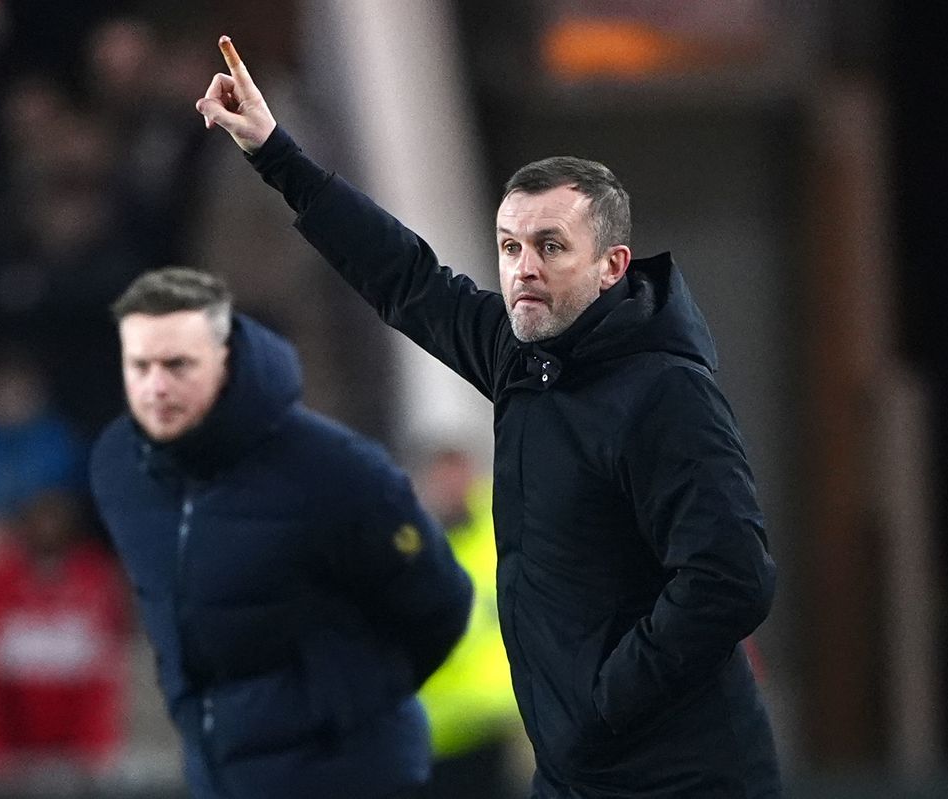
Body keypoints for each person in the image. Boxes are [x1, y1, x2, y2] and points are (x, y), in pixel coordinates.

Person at [194, 36, 781, 798]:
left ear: (613, 266)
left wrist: (606, 701)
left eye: (550, 246)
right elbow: (405, 277)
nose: (523, 268)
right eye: (509, 247)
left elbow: (733, 577)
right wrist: (277, 153)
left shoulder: (664, 391)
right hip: (579, 772)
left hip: (682, 778)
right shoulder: (521, 359)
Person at [89, 267, 473, 799]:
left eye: (178, 365)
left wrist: (344, 709)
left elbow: (440, 603)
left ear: (227, 361)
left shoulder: (337, 470)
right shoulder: (120, 469)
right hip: (221, 780)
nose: (156, 387)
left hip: (351, 777)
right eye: (140, 366)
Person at [0, 488, 129, 775]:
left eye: (56, 520)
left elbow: (105, 674)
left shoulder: (95, 579)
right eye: (41, 520)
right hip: (8, 749)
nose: (49, 528)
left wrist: (95, 760)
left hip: (76, 753)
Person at [415, 448, 527, 799]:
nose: (452, 488)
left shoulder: (504, 526)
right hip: (439, 728)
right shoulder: (412, 542)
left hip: (500, 718)